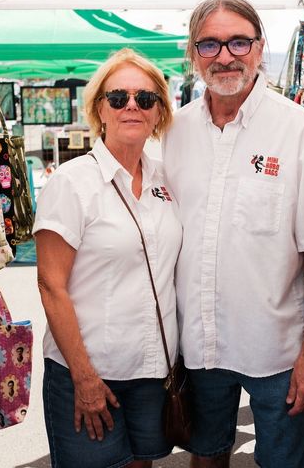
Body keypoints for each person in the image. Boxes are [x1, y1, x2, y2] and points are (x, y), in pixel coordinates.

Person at [162, 0, 304, 468]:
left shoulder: (300, 129)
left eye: (238, 42)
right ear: (192, 53)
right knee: (207, 457)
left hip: (278, 349)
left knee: (287, 462)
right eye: (209, 44)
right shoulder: (173, 132)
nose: (225, 56)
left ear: (260, 47)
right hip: (198, 343)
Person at [34, 48, 181, 468]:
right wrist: (84, 377)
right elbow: (50, 285)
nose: (132, 106)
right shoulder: (72, 182)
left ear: (159, 112)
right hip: (90, 371)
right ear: (100, 109)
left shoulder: (167, 178)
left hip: (152, 371)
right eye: (118, 98)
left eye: (145, 98)